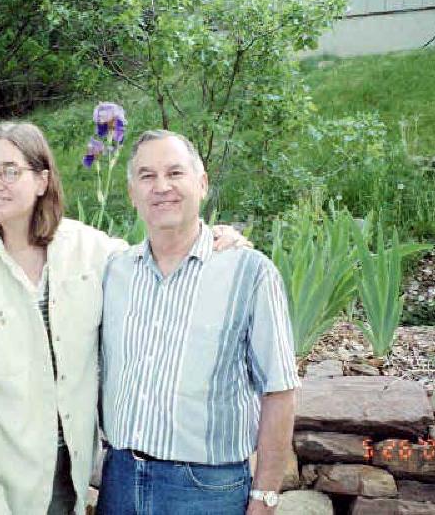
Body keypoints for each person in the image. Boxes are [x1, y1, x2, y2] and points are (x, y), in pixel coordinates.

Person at [0, 122, 248, 515]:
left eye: (9, 169)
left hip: (56, 486)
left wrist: (219, 238)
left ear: (42, 180)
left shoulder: (89, 250)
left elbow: (159, 257)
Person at [98, 130, 301, 515]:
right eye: (146, 176)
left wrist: (266, 496)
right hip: (120, 481)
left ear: (202, 183)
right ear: (132, 194)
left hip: (207, 489)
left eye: (175, 173)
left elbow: (279, 390)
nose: (162, 187)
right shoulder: (113, 272)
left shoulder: (249, 273)